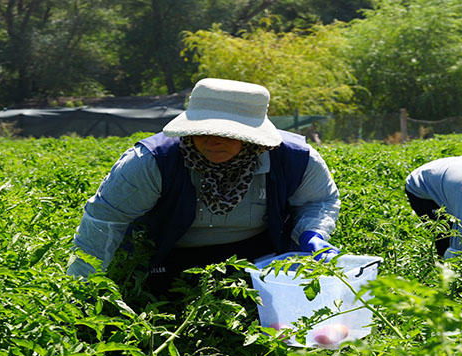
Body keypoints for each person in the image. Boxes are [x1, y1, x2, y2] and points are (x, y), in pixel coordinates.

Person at [67, 78, 340, 298]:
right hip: (166, 257)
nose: (211, 141)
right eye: (201, 129)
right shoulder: (151, 162)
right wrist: (82, 289)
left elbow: (319, 200)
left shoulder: (294, 158)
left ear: (251, 138)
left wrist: (313, 233)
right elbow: (105, 221)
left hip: (258, 259)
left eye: (226, 133)